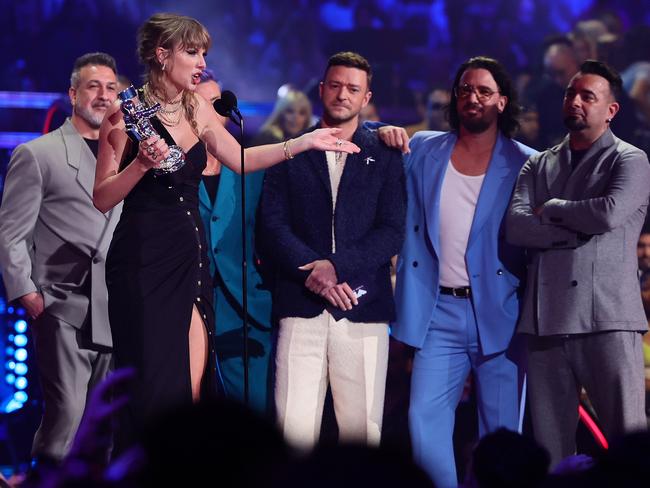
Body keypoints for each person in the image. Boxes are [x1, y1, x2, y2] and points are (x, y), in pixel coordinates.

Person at [92, 13, 358, 452]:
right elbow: (102, 198)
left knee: (192, 386)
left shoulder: (197, 108)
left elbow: (242, 159)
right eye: (191, 52)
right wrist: (141, 164)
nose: (201, 62)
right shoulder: (126, 114)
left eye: (204, 54)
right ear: (162, 55)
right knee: (151, 388)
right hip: (141, 262)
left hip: (188, 256)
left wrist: (304, 143)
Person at [392, 56, 535, 487]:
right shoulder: (422, 149)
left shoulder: (527, 162)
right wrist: (381, 131)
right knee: (423, 419)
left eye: (484, 91)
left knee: (503, 433)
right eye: (465, 90)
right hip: (437, 312)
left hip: (502, 313)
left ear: (503, 101)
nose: (473, 98)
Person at [259, 51, 406, 449]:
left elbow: (392, 230)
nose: (343, 95)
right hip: (300, 306)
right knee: (291, 435)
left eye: (353, 89)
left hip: (362, 308)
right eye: (336, 85)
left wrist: (336, 268)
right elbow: (272, 226)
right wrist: (315, 275)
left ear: (366, 97)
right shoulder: (289, 149)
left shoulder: (387, 153)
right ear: (322, 89)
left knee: (362, 439)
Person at [507, 60, 650, 467]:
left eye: (589, 96)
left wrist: (551, 208)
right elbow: (516, 227)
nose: (576, 102)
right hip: (546, 321)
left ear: (611, 110)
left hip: (607, 317)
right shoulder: (539, 162)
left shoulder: (630, 160)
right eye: (572, 93)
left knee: (629, 446)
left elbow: (607, 213)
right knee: (552, 451)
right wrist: (571, 228)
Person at [0, 52, 120, 464]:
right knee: (66, 413)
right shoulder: (39, 154)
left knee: (105, 422)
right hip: (62, 303)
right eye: (93, 86)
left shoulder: (130, 153)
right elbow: (11, 232)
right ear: (73, 94)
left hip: (115, 304)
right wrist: (28, 294)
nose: (103, 96)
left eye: (110, 88)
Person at [195, 71, 273, 414]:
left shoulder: (254, 171)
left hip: (244, 311)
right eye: (202, 103)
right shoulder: (166, 171)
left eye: (219, 103)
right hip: (186, 308)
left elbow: (271, 238)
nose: (216, 112)